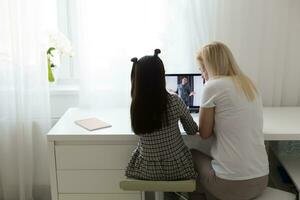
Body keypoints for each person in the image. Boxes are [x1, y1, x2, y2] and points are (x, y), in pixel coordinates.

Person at [190, 42, 269, 200]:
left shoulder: (212, 86)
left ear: (209, 67)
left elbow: (204, 133)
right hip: (261, 179)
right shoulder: (248, 84)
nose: (202, 75)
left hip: (232, 185)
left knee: (191, 153)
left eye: (202, 69)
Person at [125, 49, 198, 181]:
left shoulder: (136, 105)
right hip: (177, 169)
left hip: (146, 170)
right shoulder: (174, 100)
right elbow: (192, 130)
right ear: (161, 76)